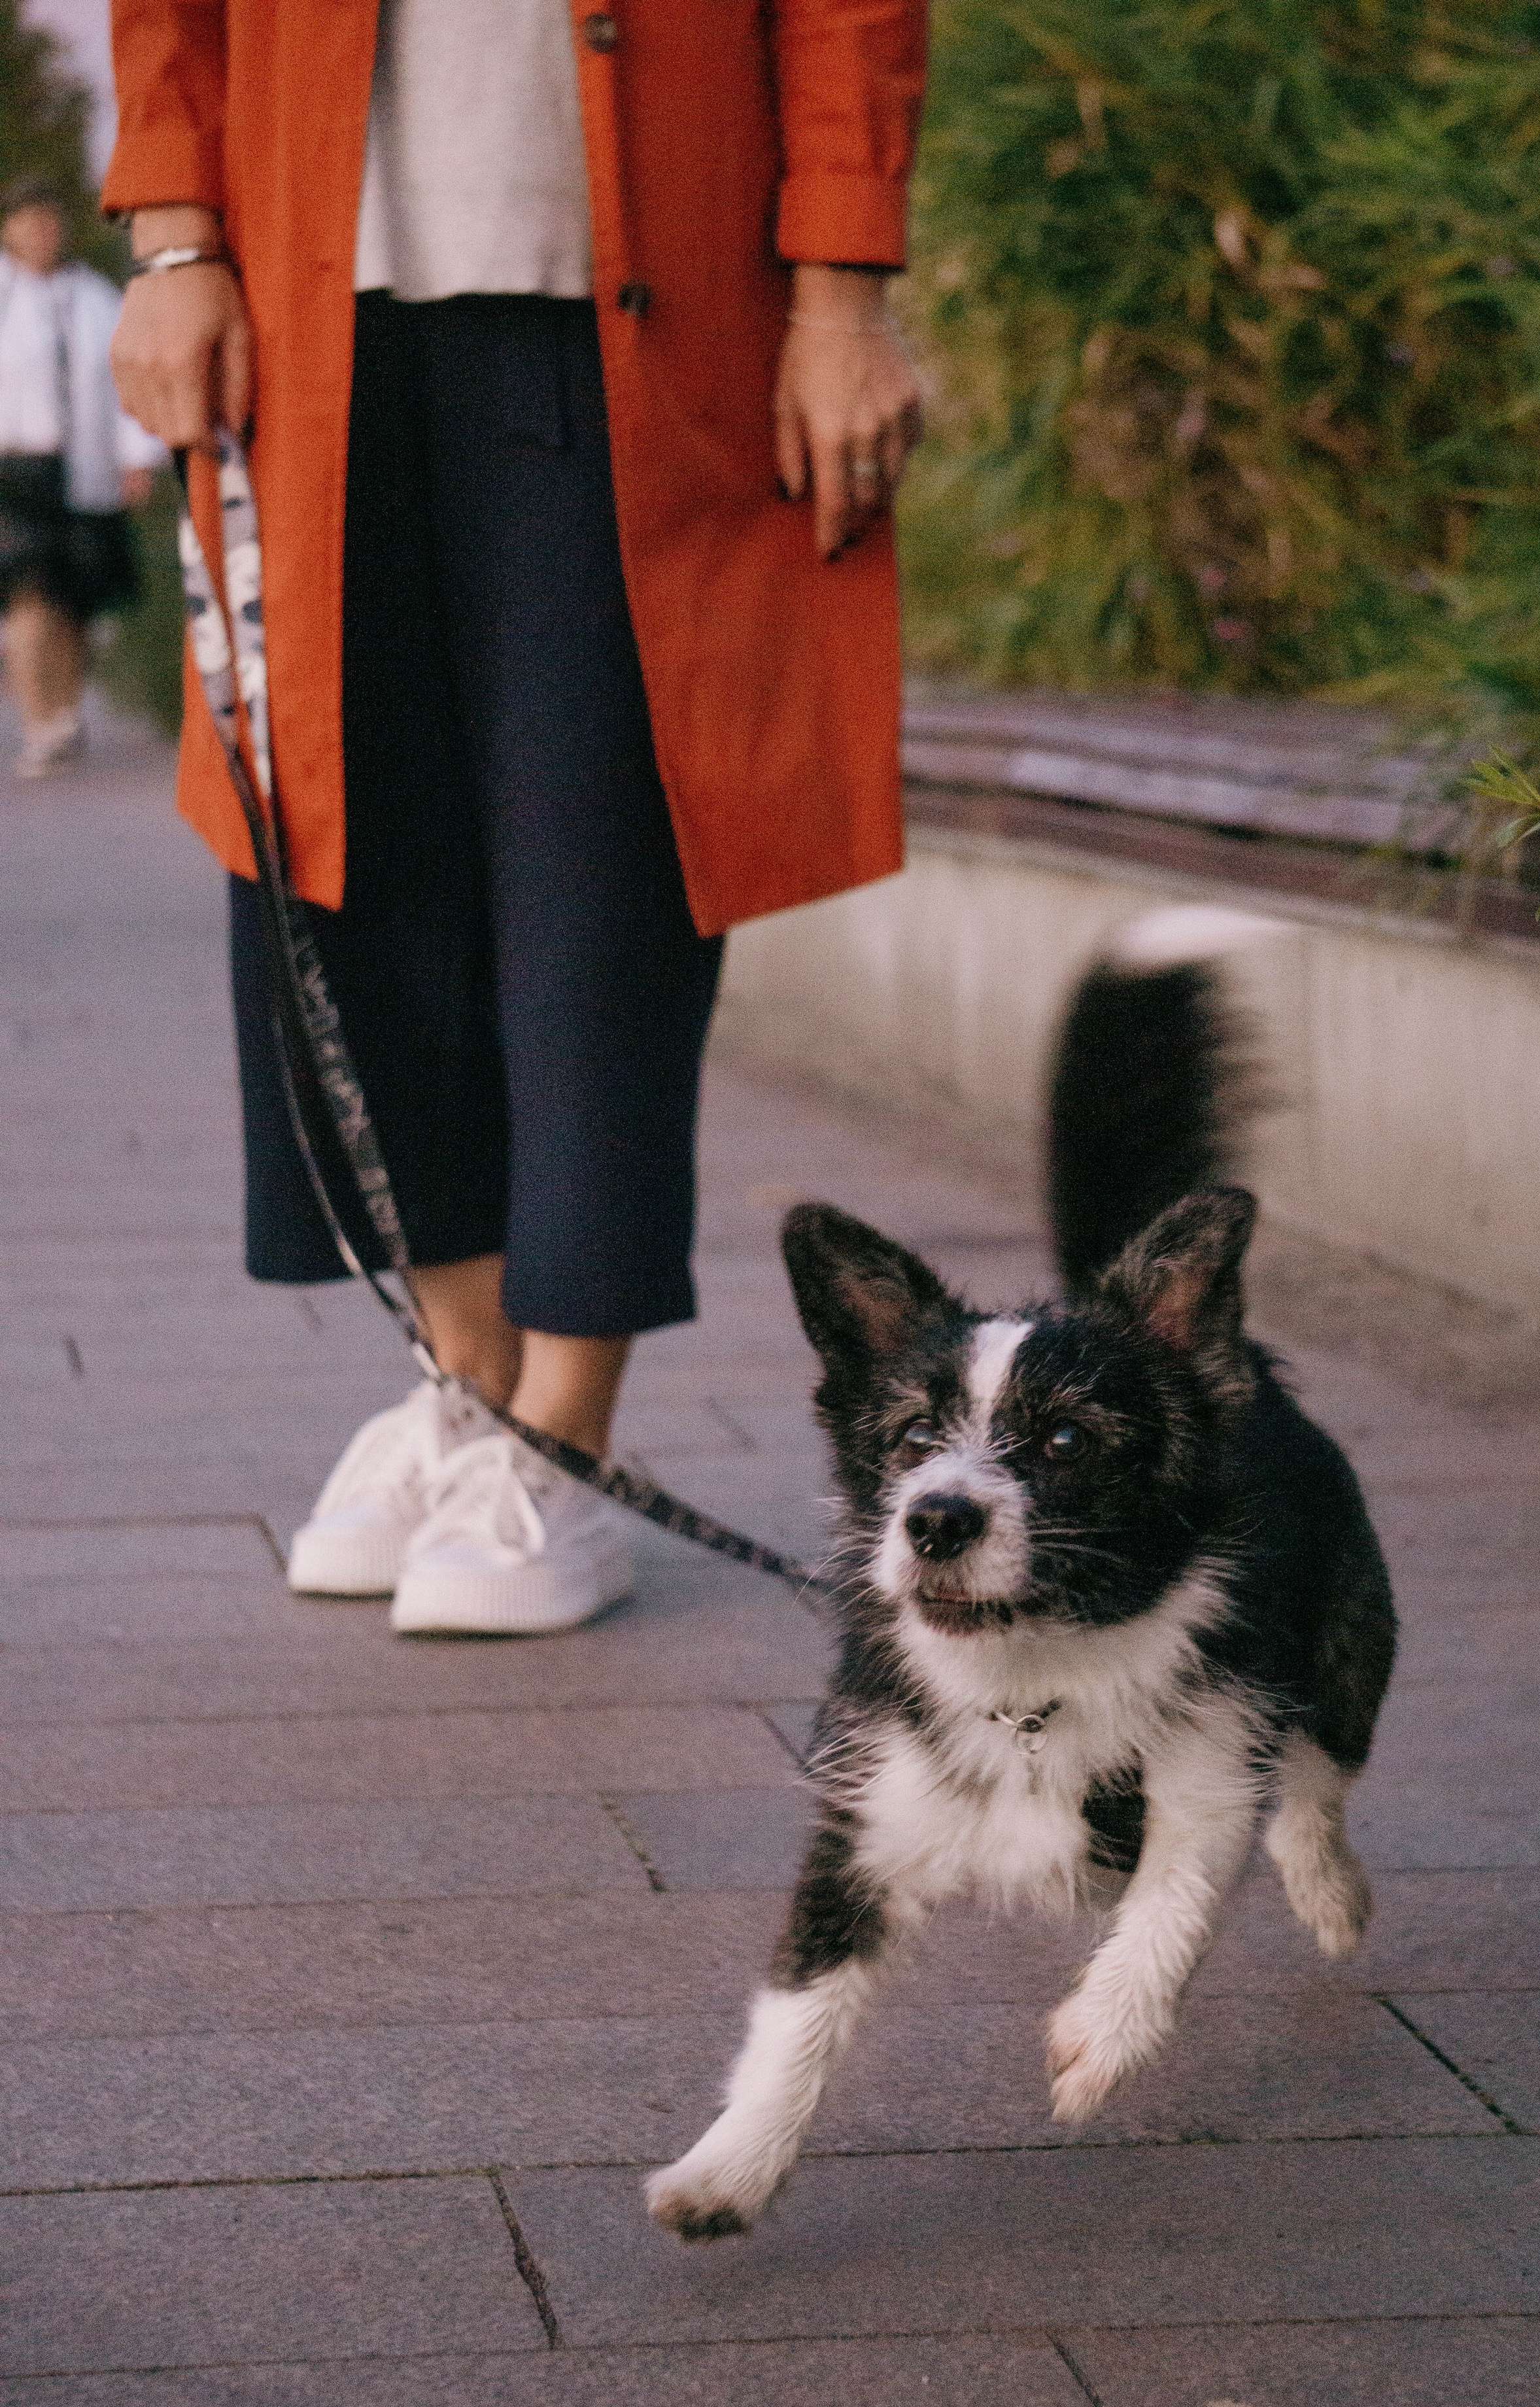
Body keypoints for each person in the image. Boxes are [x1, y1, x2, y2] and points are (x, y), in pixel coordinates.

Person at [105, 0, 927, 1635]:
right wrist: (171, 240)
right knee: (338, 857)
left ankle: (563, 1440)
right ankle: (465, 1384)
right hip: (308, 296)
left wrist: (839, 290)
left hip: (633, 311)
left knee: (595, 866)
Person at [0, 175, 166, 779]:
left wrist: (137, 458)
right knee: (27, 595)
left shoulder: (96, 299)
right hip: (16, 470)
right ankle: (40, 722)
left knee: (74, 601)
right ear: (9, 229)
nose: (41, 232)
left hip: (84, 469)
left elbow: (124, 385)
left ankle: (65, 714)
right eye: (28, 221)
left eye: (50, 220)